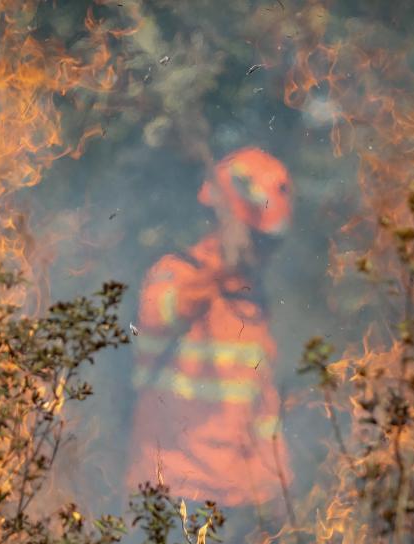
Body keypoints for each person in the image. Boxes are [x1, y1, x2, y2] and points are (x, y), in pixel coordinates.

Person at [126, 146, 294, 514]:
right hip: (170, 494)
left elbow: (262, 409)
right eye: (257, 238)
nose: (264, 253)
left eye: (270, 243)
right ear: (222, 220)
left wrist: (274, 488)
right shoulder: (175, 274)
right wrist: (220, 267)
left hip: (235, 502)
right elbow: (159, 317)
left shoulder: (252, 302)